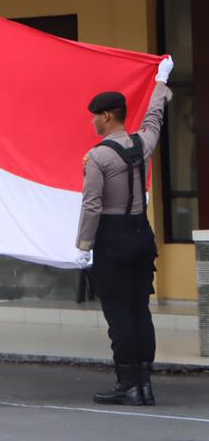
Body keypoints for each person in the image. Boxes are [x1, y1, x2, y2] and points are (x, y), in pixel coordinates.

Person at [76, 56, 173, 406]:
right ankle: (144, 383)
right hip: (141, 235)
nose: (92, 121)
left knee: (118, 315)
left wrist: (84, 244)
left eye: (94, 116)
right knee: (139, 311)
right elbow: (154, 117)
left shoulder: (98, 157)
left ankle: (127, 383)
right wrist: (160, 83)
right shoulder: (142, 143)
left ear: (105, 116)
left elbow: (91, 205)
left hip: (113, 238)